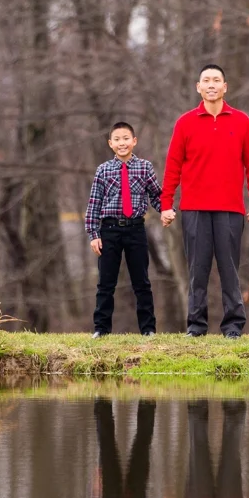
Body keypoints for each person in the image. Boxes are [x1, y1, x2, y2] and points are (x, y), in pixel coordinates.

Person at [160, 65, 249, 338]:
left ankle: (233, 327)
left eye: (216, 80)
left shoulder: (242, 121)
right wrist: (166, 203)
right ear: (198, 87)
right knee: (197, 269)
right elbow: (172, 165)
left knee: (230, 269)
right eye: (206, 80)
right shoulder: (185, 122)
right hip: (194, 208)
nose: (211, 85)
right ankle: (196, 327)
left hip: (230, 209)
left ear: (225, 86)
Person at [86, 121, 162, 338]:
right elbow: (94, 203)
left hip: (136, 229)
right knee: (106, 282)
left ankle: (148, 329)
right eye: (117, 140)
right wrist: (94, 234)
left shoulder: (144, 167)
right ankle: (101, 328)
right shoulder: (103, 170)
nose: (122, 143)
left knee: (142, 281)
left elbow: (156, 195)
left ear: (134, 141)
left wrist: (166, 209)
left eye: (126, 139)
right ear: (111, 143)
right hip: (109, 230)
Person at [89, 399, 162, 498]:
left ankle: (102, 398)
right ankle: (148, 400)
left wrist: (94, 497)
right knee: (143, 444)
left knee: (106, 443)